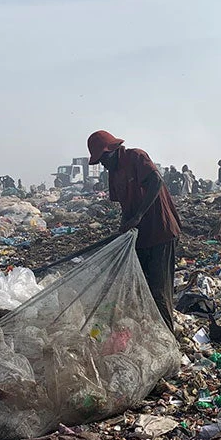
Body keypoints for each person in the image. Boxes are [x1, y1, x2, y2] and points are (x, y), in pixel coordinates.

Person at [87, 130, 182, 333]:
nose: (103, 165)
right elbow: (124, 206)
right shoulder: (113, 173)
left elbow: (156, 181)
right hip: (140, 238)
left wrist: (138, 216)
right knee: (139, 288)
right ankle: (149, 333)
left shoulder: (136, 157)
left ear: (111, 151)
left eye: (103, 160)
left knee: (159, 290)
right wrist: (123, 229)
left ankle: (168, 338)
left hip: (160, 232)